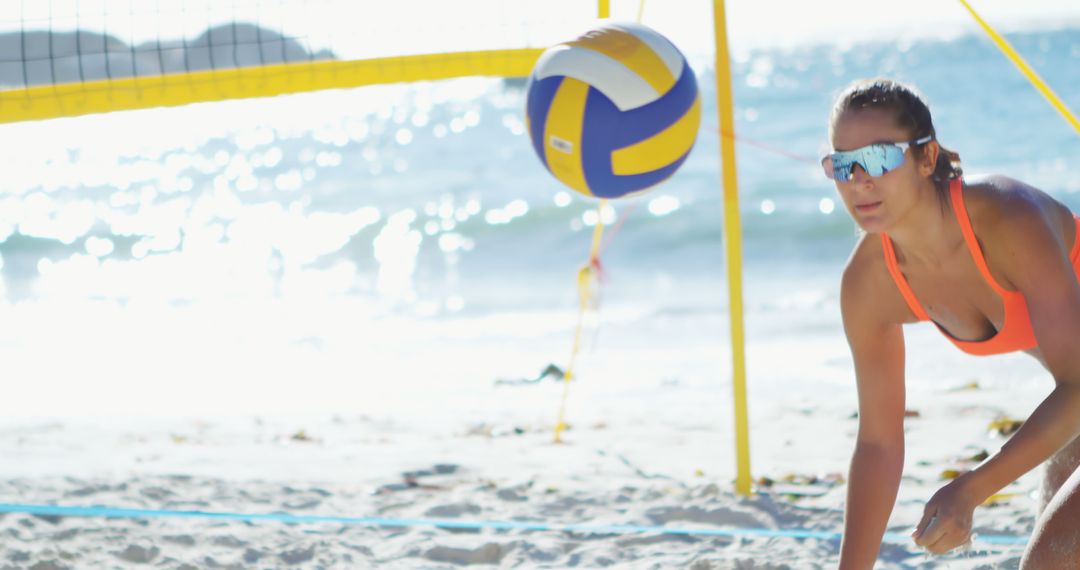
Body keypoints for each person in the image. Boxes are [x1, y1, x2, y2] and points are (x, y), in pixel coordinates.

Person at [825, 78, 1080, 569]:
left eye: (880, 157)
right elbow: (878, 443)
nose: (859, 178)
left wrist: (971, 489)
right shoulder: (868, 284)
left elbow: (1077, 384)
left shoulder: (1007, 217)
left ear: (926, 158)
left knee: (1052, 555)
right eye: (841, 163)